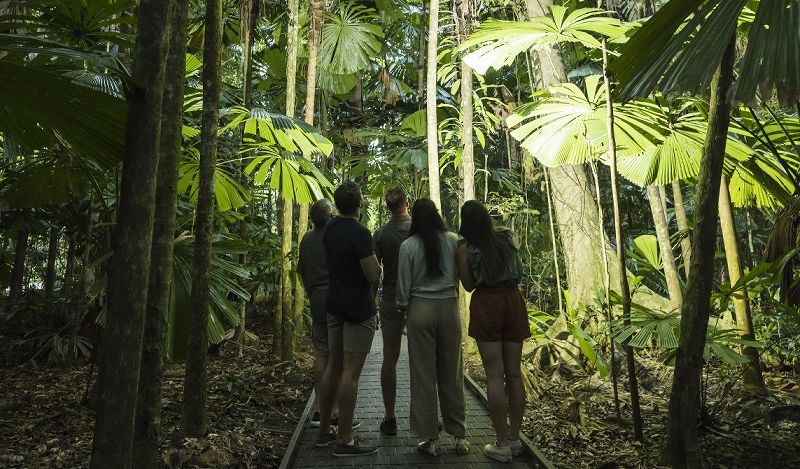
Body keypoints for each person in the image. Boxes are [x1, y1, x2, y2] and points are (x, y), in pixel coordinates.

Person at [456, 200, 530, 463]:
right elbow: (519, 271)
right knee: (514, 373)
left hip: (487, 302)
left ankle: (500, 444)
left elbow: (467, 285)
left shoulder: (465, 248)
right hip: (513, 299)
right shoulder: (505, 237)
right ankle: (514, 439)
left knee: (494, 376)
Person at [397, 198, 469, 456]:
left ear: (415, 218)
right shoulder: (453, 240)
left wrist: (403, 311)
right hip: (449, 308)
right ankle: (459, 436)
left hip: (420, 310)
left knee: (423, 375)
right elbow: (463, 276)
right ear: (437, 215)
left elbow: (403, 288)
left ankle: (430, 438)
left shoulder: (408, 246)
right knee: (452, 373)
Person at [316, 181, 381, 457]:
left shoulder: (329, 229)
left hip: (334, 305)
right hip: (356, 308)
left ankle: (324, 430)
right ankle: (345, 439)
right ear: (360, 204)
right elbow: (372, 274)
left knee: (333, 365)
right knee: (350, 374)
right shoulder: (360, 233)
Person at [373, 187, 411, 435]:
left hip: (390, 297)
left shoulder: (381, 233)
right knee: (423, 358)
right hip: (418, 297)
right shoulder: (420, 229)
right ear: (407, 202)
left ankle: (390, 416)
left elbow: (375, 271)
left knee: (390, 356)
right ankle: (427, 416)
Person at [297, 199, 337, 428]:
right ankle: (337, 412)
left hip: (316, 298)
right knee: (337, 354)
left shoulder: (307, 238)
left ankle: (320, 410)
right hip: (335, 297)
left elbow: (301, 270)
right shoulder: (335, 236)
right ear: (330, 215)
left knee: (322, 352)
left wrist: (312, 291)